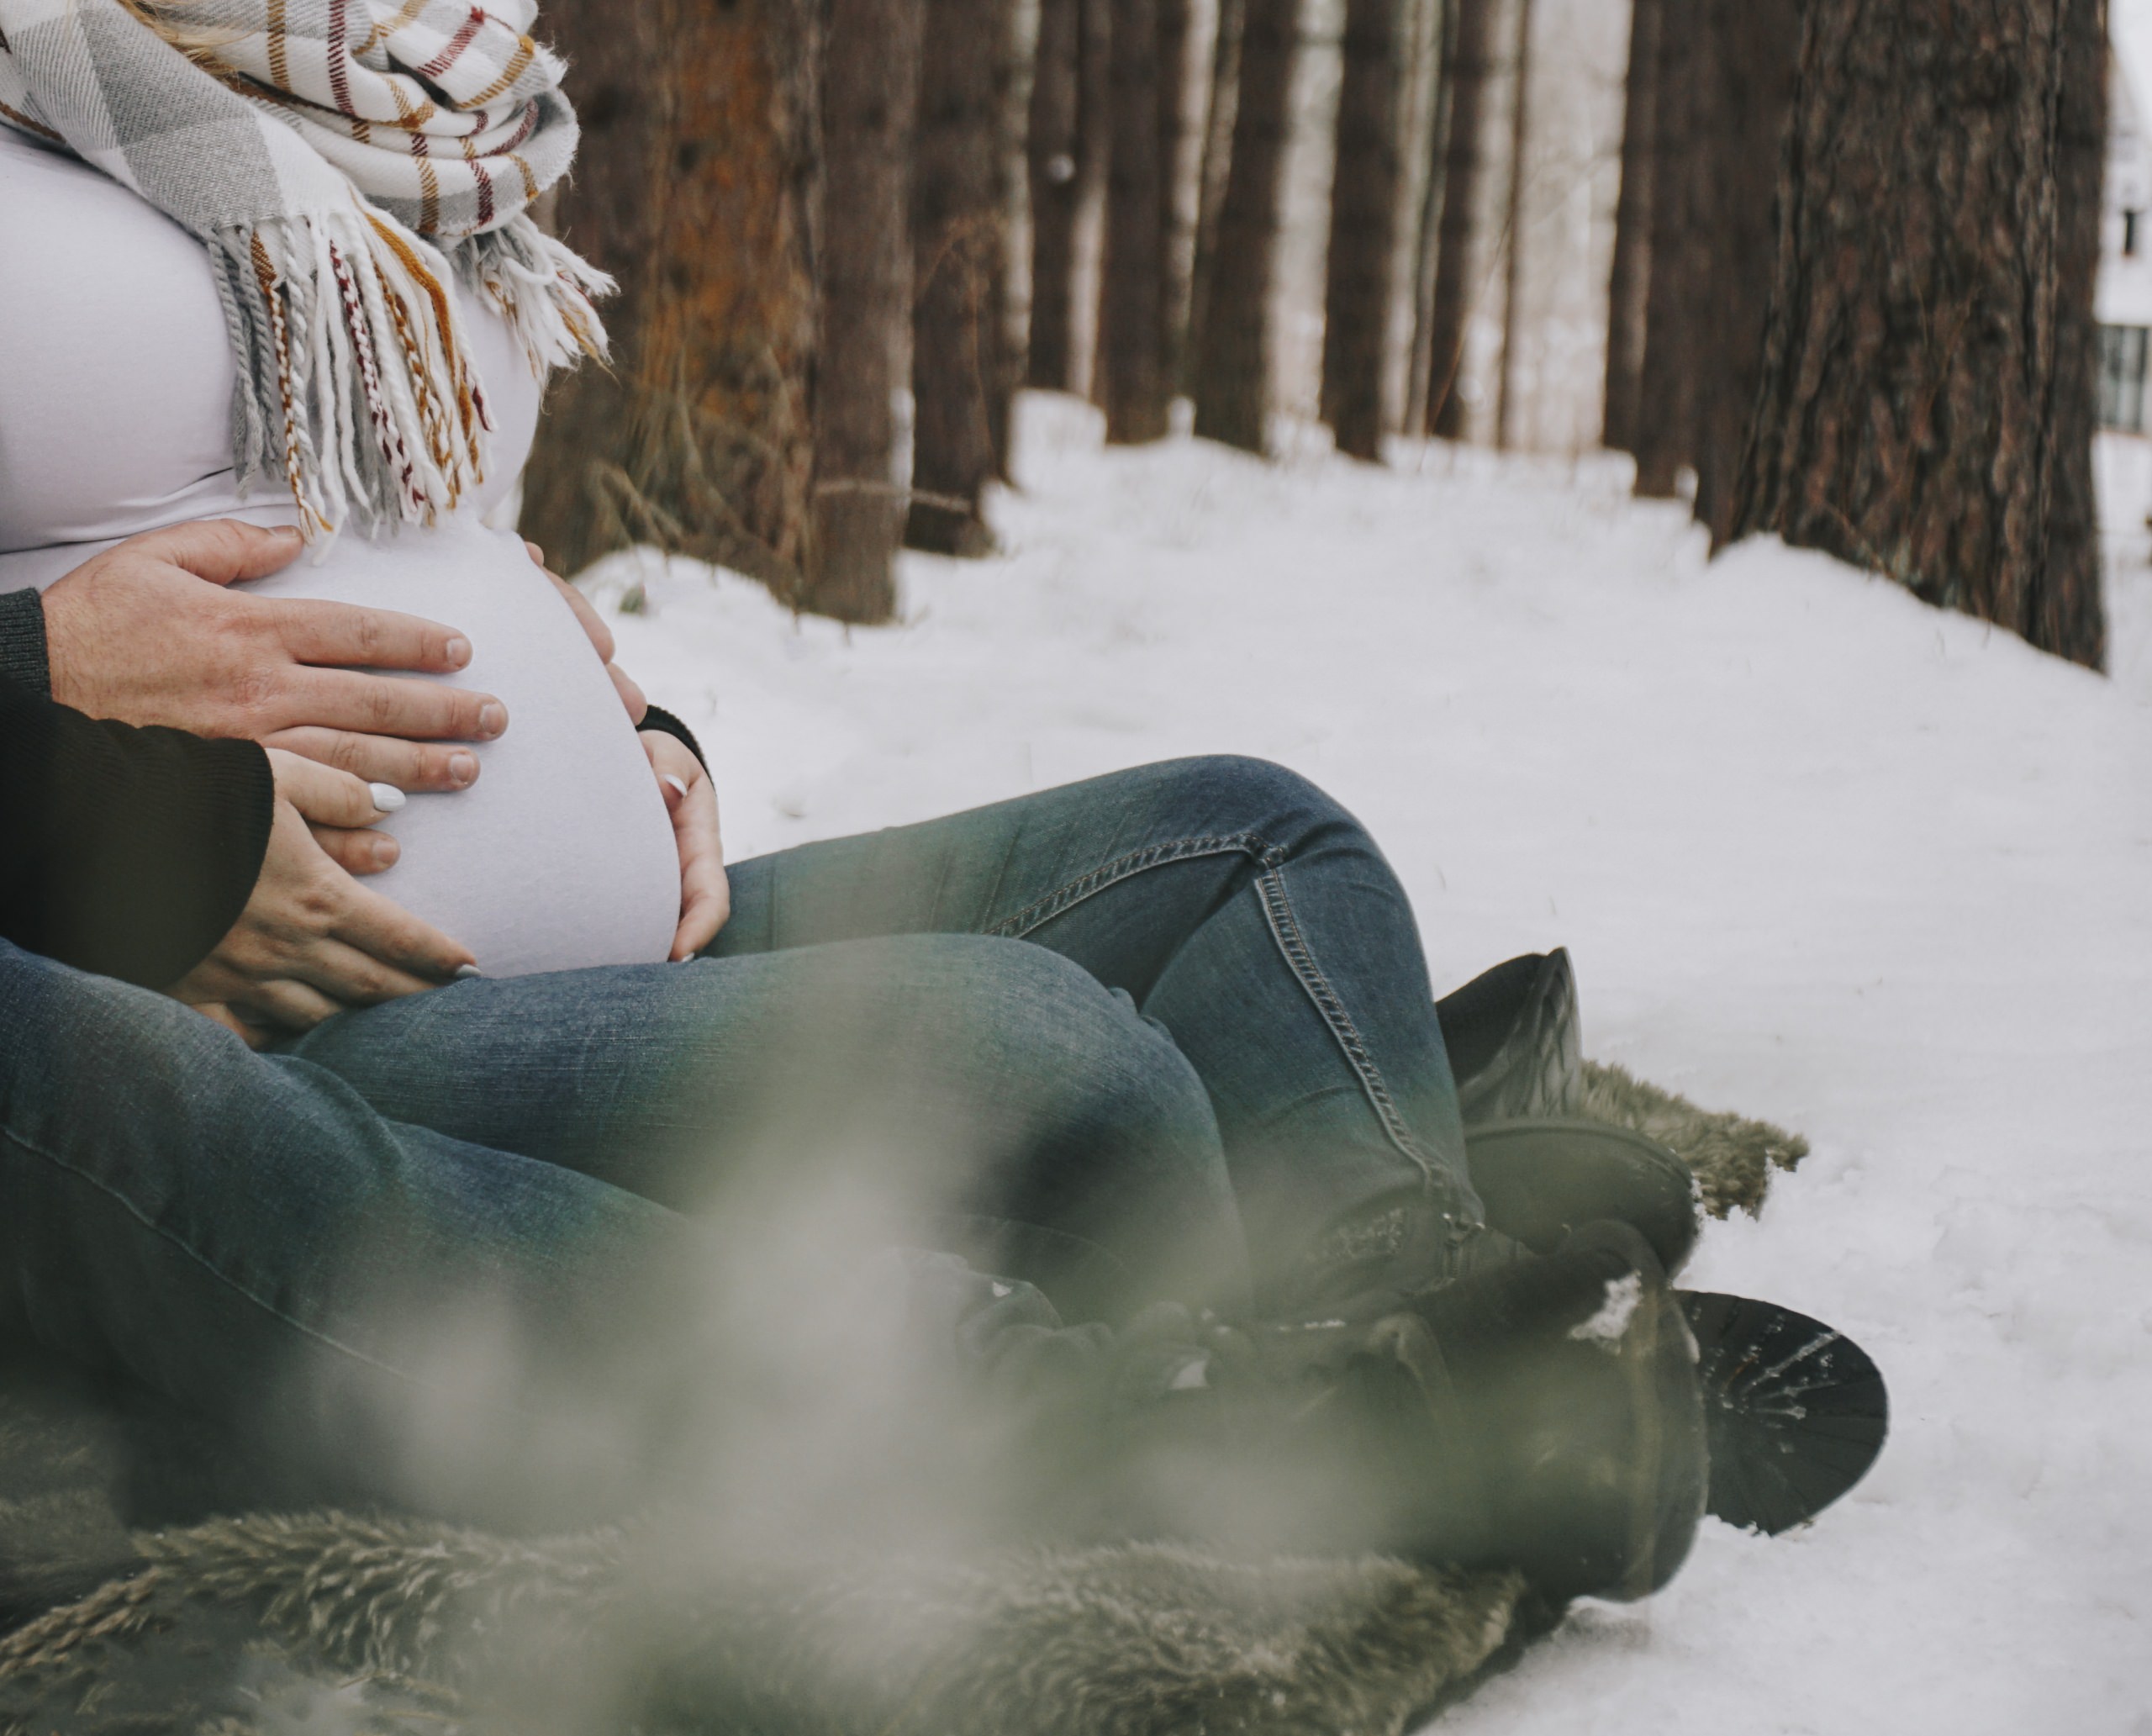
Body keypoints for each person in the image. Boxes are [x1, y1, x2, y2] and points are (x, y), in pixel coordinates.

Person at [0, 0, 1709, 1604]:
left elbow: (405, 516)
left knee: (1255, 848)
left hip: (594, 935)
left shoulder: (375, 80)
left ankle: (1415, 1310)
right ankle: (1158, 1407)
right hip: (252, 991)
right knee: (1056, 1064)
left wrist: (626, 735)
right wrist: (63, 691)